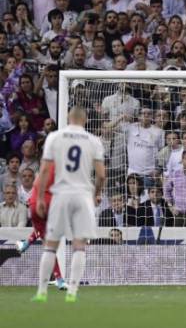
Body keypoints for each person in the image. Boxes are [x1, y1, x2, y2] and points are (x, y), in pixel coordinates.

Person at [32, 107, 106, 303]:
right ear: (85, 120)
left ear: (68, 118)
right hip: (82, 195)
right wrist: (96, 194)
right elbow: (101, 175)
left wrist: (39, 197)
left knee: (51, 245)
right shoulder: (93, 140)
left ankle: (41, 292)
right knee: (79, 244)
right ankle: (72, 292)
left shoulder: (55, 137)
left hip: (61, 194)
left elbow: (45, 170)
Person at [16, 164, 67, 290]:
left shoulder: (46, 168)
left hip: (34, 203)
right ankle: (59, 280)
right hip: (49, 203)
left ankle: (25, 244)